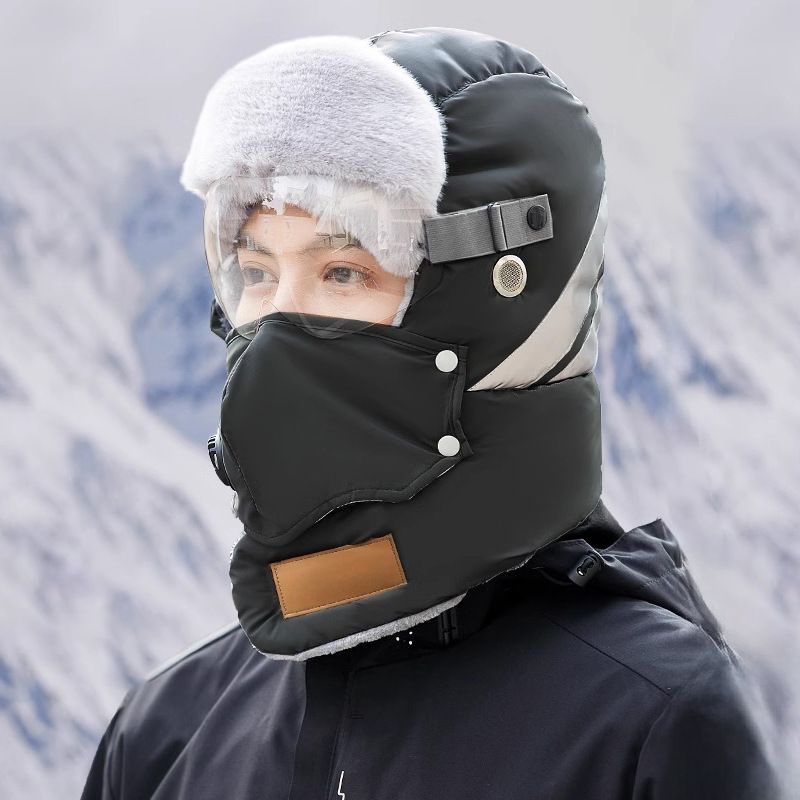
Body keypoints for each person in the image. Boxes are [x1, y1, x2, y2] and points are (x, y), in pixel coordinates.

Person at [80, 27, 781, 799]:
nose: (274, 330)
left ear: (500, 300)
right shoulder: (162, 739)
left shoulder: (651, 725)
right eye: (256, 272)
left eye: (343, 271)